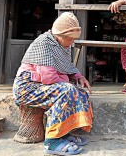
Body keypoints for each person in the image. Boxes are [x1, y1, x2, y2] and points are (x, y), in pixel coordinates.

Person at [13, 12, 93, 155]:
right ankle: (52, 141)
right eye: (69, 39)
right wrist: (69, 82)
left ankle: (63, 133)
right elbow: (49, 78)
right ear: (59, 35)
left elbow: (66, 66)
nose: (71, 43)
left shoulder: (62, 46)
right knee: (67, 90)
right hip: (27, 88)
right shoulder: (44, 43)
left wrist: (78, 76)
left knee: (80, 91)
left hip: (44, 86)